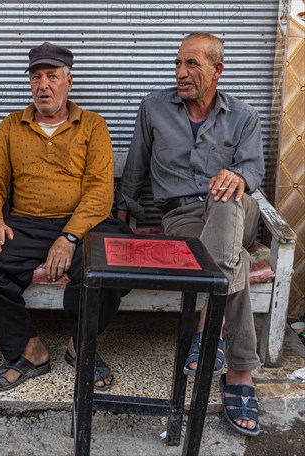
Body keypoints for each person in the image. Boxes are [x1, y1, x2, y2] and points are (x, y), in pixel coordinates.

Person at [0, 42, 131, 393]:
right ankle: (27, 349)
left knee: (115, 260)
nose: (43, 85)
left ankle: (80, 345)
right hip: (26, 223)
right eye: (36, 77)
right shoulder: (11, 126)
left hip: (85, 224)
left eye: (52, 76)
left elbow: (100, 191)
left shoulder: (93, 125)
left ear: (69, 82)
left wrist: (69, 238)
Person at [116, 32, 264, 437]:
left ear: (218, 70)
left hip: (237, 209)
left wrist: (234, 176)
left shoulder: (244, 116)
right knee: (240, 259)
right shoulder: (153, 107)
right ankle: (240, 377)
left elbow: (253, 170)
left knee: (228, 193)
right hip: (181, 217)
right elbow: (136, 162)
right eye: (178, 63)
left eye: (192, 64)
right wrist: (123, 209)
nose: (181, 72)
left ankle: (207, 329)